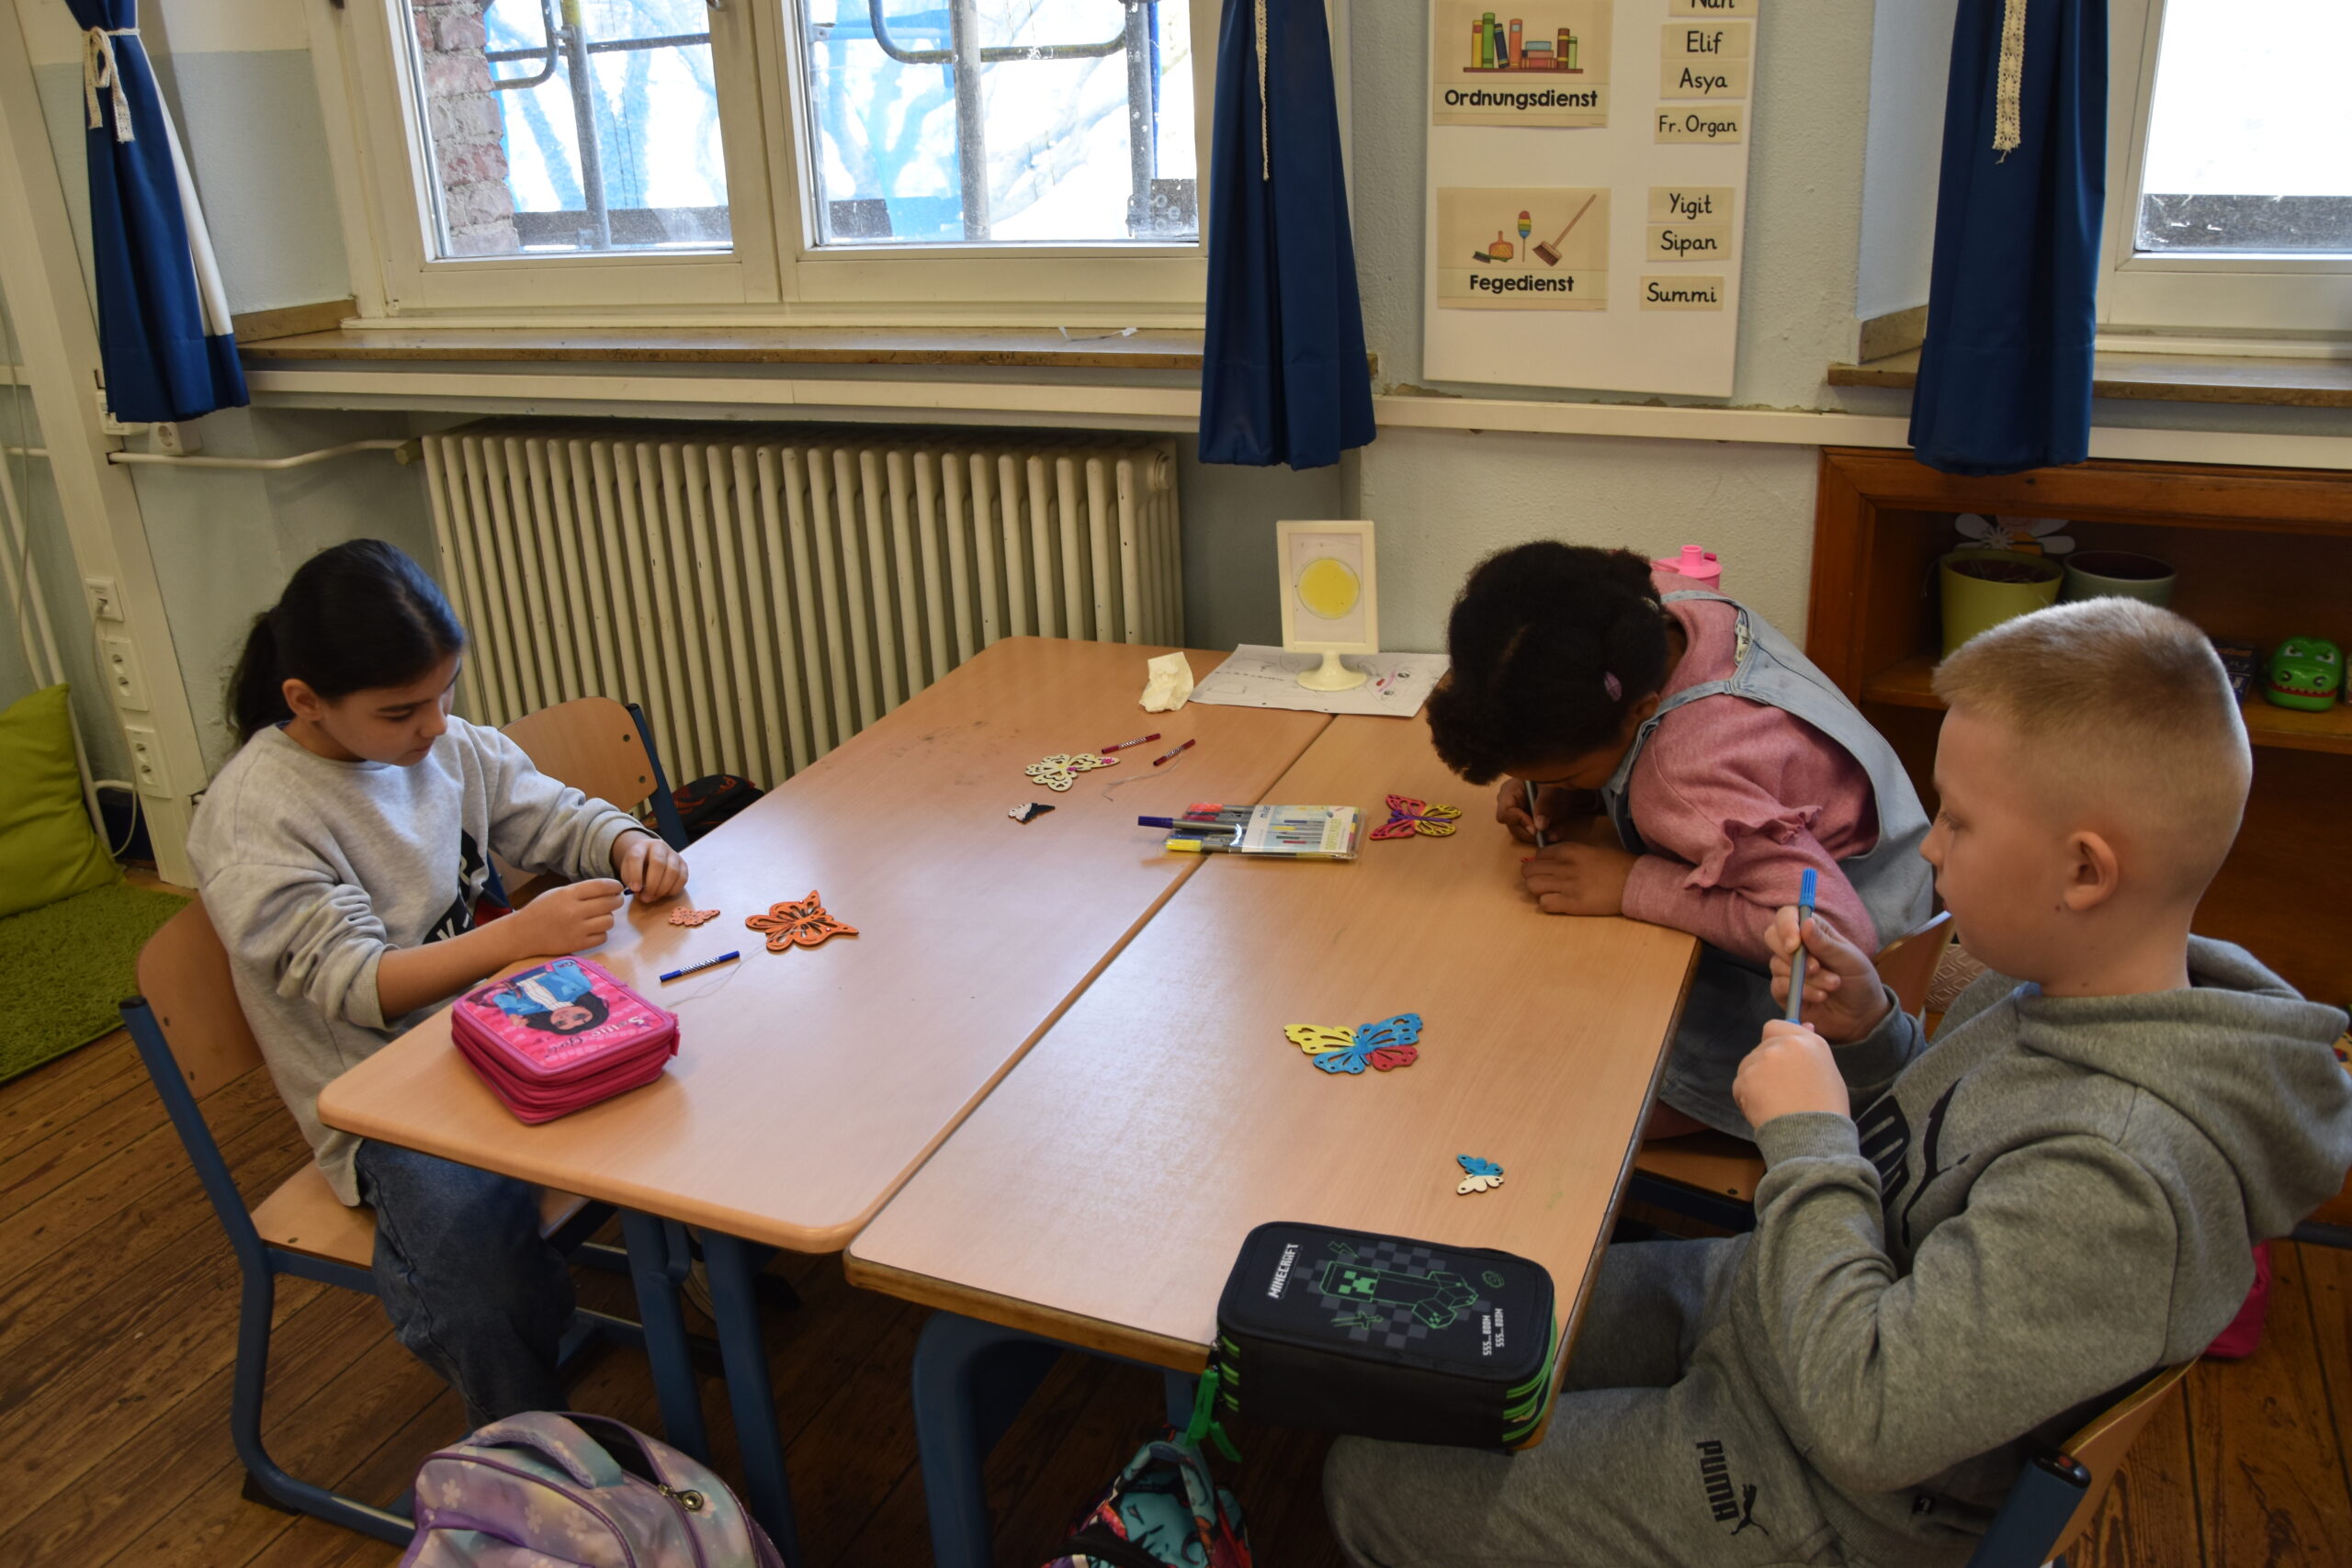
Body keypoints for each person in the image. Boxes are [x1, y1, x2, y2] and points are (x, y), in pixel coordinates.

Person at [1326, 599, 2352, 1566]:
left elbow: (1870, 1419)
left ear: (2084, 871)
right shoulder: (2053, 986)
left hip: (1817, 1483)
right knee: (1424, 1345)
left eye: (1958, 822)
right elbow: (1940, 1147)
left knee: (1364, 1479)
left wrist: (1809, 1140)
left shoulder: (2115, 1184)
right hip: (1767, 1310)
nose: (1930, 848)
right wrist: (1871, 1034)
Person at [187, 539, 688, 1427]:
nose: (433, 725)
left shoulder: (445, 743)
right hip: (387, 1097)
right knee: (479, 1269)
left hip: (514, 1030)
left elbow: (554, 814)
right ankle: (529, 1443)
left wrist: (625, 842)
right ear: (305, 700)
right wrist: (517, 939)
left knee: (691, 1078)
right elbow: (355, 982)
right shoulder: (256, 816)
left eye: (446, 691)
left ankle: (698, 1266)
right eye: (402, 710)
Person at [1424, 542, 1934, 1138]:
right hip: (1892, 865)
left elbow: (1834, 936)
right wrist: (1577, 783)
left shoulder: (1681, 775)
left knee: (1563, 1073)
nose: (1548, 789)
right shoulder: (1665, 607)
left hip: (1849, 994)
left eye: (1566, 774)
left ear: (1638, 711)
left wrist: (1634, 884)